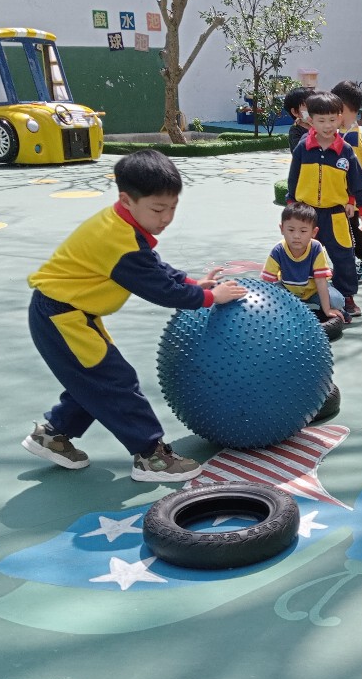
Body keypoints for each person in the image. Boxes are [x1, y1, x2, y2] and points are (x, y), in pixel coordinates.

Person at [23, 149, 247, 482]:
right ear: (127, 200)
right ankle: (150, 456)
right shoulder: (118, 241)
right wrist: (210, 297)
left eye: (172, 207)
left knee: (93, 379)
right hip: (61, 316)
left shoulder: (122, 226)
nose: (166, 217)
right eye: (158, 209)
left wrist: (191, 282)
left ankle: (53, 435)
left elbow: (155, 267)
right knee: (115, 380)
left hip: (69, 314)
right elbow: (161, 290)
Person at [286, 90, 362, 318]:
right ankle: (299, 293)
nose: (327, 125)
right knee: (300, 251)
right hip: (306, 213)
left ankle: (347, 296)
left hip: (335, 214)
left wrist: (360, 206)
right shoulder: (303, 147)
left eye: (332, 119)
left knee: (343, 254)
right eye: (321, 120)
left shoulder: (345, 150)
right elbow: (293, 177)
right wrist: (291, 202)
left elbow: (356, 180)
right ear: (311, 120)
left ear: (340, 118)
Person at [261, 201, 347, 323]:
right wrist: (266, 309)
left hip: (313, 291)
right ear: (282, 229)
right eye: (291, 230)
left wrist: (327, 309)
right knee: (272, 290)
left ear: (313, 232)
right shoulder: (278, 250)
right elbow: (267, 282)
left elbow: (320, 281)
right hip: (288, 291)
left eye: (303, 231)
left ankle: (329, 308)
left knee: (337, 301)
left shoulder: (316, 248)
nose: (296, 236)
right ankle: (293, 307)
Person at [332, 80, 362, 284]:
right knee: (344, 233)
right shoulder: (343, 131)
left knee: (353, 233)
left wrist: (351, 199)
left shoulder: (351, 136)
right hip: (339, 196)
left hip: (349, 198)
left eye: (336, 111)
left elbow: (354, 173)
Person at [284, 85, 316, 153]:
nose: (314, 108)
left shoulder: (321, 125)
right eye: (308, 105)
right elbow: (300, 152)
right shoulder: (295, 130)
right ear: (295, 112)